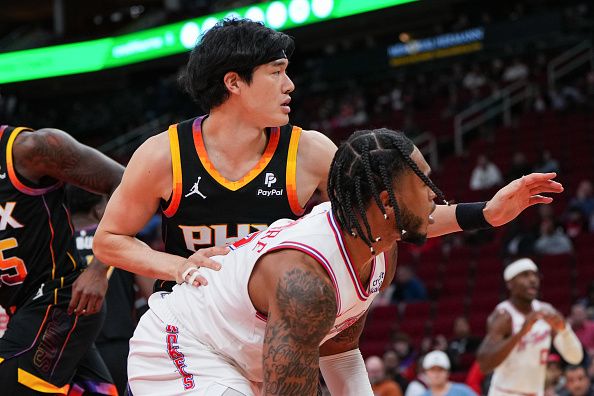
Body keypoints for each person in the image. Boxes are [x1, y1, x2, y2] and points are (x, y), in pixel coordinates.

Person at [125, 128, 564, 395]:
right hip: (182, 347)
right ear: (387, 202)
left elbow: (339, 353)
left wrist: (488, 212)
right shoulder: (307, 282)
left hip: (245, 355)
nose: (435, 193)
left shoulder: (378, 251)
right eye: (423, 183)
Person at [93, 19, 337, 293]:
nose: (290, 85)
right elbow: (108, 240)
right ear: (233, 82)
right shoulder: (164, 154)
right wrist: (178, 266)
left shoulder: (313, 151)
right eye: (276, 72)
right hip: (190, 318)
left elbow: (361, 237)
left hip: (276, 321)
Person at [0, 125, 123, 394]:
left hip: (62, 297)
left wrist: (99, 268)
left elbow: (126, 183)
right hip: (24, 311)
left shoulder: (30, 149)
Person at [66, 185, 154, 395]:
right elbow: (154, 295)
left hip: (67, 352)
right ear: (99, 210)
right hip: (117, 349)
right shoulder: (123, 244)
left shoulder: (56, 245)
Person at [477, 258, 583, 396]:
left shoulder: (546, 311)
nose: (533, 279)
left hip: (536, 392)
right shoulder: (503, 316)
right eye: (525, 275)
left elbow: (575, 358)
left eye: (535, 275)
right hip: (505, 393)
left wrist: (565, 329)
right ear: (510, 284)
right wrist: (521, 333)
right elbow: (484, 364)